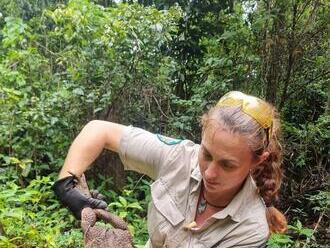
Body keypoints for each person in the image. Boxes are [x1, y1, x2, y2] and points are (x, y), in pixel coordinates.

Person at [53, 91, 288, 247]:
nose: (209, 172)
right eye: (206, 154)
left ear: (257, 161)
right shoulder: (178, 158)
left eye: (227, 165)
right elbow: (99, 130)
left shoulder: (251, 229)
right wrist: (67, 186)